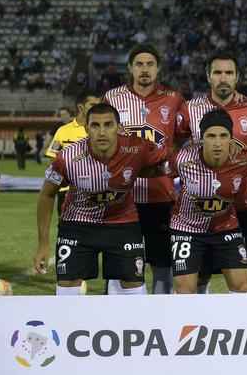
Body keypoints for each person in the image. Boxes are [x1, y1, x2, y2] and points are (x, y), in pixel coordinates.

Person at [178, 51, 247, 293]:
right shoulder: (189, 109)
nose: (223, 78)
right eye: (217, 73)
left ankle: (232, 328)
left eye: (229, 73)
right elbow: (174, 147)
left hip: (240, 205)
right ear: (208, 77)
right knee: (198, 277)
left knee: (241, 280)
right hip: (198, 206)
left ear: (237, 77)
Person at [33, 103, 169, 296]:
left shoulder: (138, 148)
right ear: (86, 128)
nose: (102, 132)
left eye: (108, 125)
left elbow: (167, 163)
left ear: (118, 128)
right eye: (95, 126)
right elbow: (46, 194)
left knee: (133, 287)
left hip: (123, 224)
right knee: (67, 288)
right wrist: (43, 244)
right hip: (77, 225)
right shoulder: (68, 158)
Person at [103, 44, 187, 295]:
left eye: (150, 64)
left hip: (160, 195)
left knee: (162, 263)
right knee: (120, 263)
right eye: (139, 64)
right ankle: (117, 320)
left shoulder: (173, 99)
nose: (145, 69)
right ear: (130, 68)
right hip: (121, 196)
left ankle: (160, 319)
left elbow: (185, 136)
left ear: (158, 68)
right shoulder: (112, 98)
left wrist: (172, 162)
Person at [169, 109, 247, 294]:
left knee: (242, 287)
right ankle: (188, 323)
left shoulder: (244, 160)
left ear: (231, 138)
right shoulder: (182, 160)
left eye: (223, 136)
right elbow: (156, 174)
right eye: (211, 136)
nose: (217, 143)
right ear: (201, 139)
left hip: (226, 228)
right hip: (187, 230)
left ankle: (236, 323)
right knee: (185, 290)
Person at [45, 91, 101, 217]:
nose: (98, 108)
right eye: (93, 105)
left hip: (95, 192)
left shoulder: (101, 131)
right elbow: (53, 160)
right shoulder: (63, 131)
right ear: (81, 107)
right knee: (66, 231)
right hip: (66, 192)